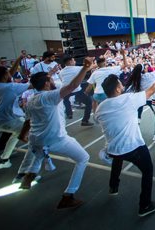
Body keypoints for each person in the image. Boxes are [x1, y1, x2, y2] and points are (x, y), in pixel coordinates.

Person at [19, 57, 95, 209]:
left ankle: (30, 174)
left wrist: (23, 134)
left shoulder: (31, 100)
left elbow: (28, 121)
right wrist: (85, 68)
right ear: (46, 83)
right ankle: (68, 195)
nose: (53, 80)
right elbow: (73, 85)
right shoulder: (49, 96)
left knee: (39, 154)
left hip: (36, 138)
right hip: (55, 138)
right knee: (83, 158)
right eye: (50, 79)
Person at [96, 65, 155, 217]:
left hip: (112, 147)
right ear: (117, 89)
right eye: (120, 84)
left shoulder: (100, 108)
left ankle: (113, 186)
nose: (123, 85)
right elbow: (152, 89)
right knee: (148, 170)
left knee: (117, 159)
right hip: (133, 147)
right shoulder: (128, 100)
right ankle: (145, 205)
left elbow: (98, 120)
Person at [0, 55, 31, 169]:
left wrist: (18, 59)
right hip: (10, 120)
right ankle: (27, 172)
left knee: (16, 135)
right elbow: (34, 85)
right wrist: (48, 75)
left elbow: (10, 73)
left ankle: (4, 160)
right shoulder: (11, 87)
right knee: (35, 136)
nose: (10, 73)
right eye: (7, 73)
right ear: (5, 76)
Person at [123, 63, 155, 141]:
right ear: (144, 69)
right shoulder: (151, 75)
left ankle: (134, 132)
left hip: (141, 99)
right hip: (153, 99)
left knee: (137, 117)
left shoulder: (136, 78)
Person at [59, 55, 93, 126]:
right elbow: (90, 68)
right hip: (76, 90)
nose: (75, 61)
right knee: (89, 103)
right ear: (70, 61)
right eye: (74, 60)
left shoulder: (61, 71)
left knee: (66, 100)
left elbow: (62, 80)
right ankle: (85, 120)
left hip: (65, 90)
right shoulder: (77, 68)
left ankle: (69, 114)